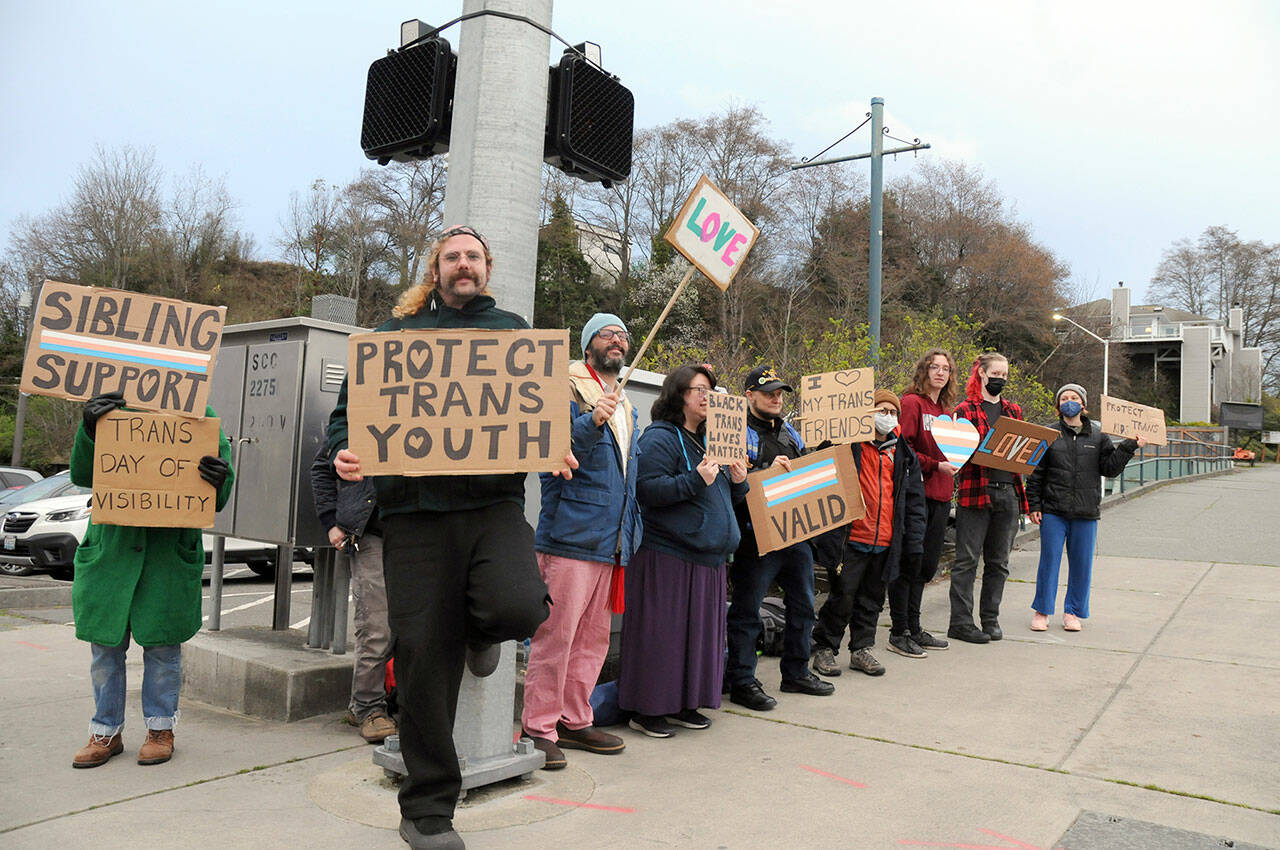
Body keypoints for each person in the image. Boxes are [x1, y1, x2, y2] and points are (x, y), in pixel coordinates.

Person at [325, 225, 575, 850]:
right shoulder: (391, 340)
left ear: (488, 267)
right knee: (423, 664)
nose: (463, 264)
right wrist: (343, 454)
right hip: (411, 517)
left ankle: (480, 630)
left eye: (473, 256)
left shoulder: (516, 334)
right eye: (451, 256)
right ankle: (428, 810)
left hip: (492, 505)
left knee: (518, 604)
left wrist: (559, 446)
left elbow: (545, 416)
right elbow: (344, 419)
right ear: (435, 269)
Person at [69, 392, 233, 769]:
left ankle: (160, 729)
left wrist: (220, 478)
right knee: (105, 653)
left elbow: (218, 495)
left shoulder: (200, 416)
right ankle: (105, 732)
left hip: (166, 559)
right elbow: (82, 474)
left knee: (163, 651)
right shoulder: (111, 411)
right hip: (112, 556)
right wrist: (89, 428)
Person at [521, 313, 640, 769]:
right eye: (607, 334)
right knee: (556, 637)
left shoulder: (625, 403)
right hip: (570, 536)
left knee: (592, 640)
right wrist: (590, 421)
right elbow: (549, 455)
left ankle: (574, 717)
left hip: (610, 542)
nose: (618, 340)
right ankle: (538, 727)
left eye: (623, 335)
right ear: (589, 346)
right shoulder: (564, 388)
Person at [619, 364, 748, 738]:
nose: (707, 396)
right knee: (664, 637)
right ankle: (648, 710)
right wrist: (696, 479)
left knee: (697, 639)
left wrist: (739, 482)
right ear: (679, 395)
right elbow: (648, 490)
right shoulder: (660, 437)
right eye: (698, 390)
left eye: (710, 389)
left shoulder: (713, 441)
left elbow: (726, 498)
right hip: (668, 555)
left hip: (708, 558)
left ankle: (685, 703)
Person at [725, 365, 834, 711]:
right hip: (754, 538)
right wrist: (763, 474)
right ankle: (741, 680)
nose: (775, 398)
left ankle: (796, 672)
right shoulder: (735, 432)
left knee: (803, 607)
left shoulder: (790, 433)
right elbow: (730, 484)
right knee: (746, 611)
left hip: (795, 533)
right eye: (768, 392)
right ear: (749, 396)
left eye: (779, 392)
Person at [811, 390, 925, 677]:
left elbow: (912, 499)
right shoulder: (849, 445)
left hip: (885, 539)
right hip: (852, 537)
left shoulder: (902, 452)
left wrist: (912, 540)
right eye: (881, 410)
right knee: (842, 596)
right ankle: (825, 648)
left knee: (872, 599)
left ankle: (861, 648)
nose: (887, 416)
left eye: (892, 412)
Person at [1026, 384, 1143, 632]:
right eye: (1065, 398)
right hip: (1053, 509)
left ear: (1083, 404)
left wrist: (1128, 447)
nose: (1070, 401)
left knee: (1081, 564)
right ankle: (1042, 611)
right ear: (1058, 405)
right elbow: (1036, 473)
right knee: (1049, 561)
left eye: (1075, 397)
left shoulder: (1099, 435)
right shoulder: (1049, 433)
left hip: (1086, 511)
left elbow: (1110, 469)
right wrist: (1034, 504)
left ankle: (1073, 612)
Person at [309, 446, 394, 744]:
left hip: (415, 533)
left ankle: (382, 703)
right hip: (372, 533)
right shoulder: (361, 416)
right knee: (376, 626)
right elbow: (322, 466)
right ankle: (367, 707)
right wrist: (331, 521)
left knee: (407, 625)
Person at [947, 352, 1027, 644]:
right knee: (967, 560)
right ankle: (961, 622)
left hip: (1009, 492)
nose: (1000, 379)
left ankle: (990, 618)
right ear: (981, 373)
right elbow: (955, 454)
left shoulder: (1013, 411)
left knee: (999, 562)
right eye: (996, 374)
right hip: (975, 491)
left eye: (1005, 375)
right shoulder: (964, 410)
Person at [889, 349, 959, 657]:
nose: (940, 373)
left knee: (927, 566)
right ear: (924, 371)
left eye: (945, 368)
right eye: (934, 367)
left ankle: (915, 628)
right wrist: (935, 465)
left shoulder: (945, 410)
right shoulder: (911, 403)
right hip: (916, 498)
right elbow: (901, 450)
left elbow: (953, 452)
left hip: (943, 496)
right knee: (909, 564)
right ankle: (898, 630)